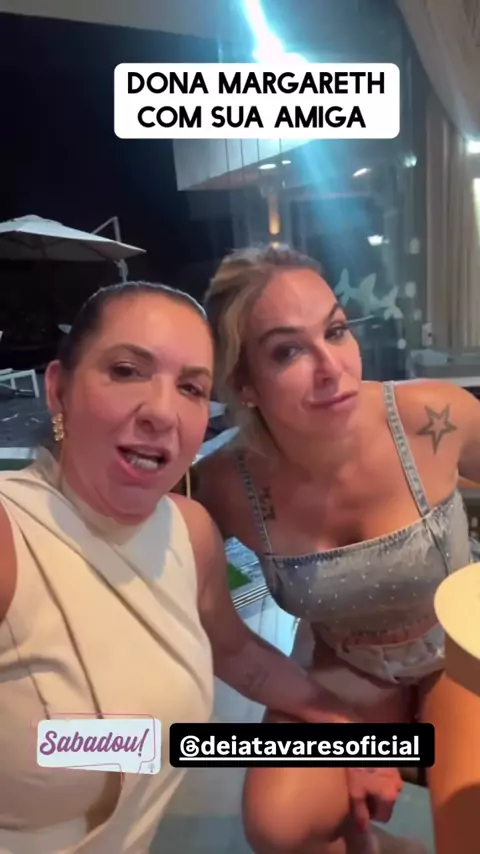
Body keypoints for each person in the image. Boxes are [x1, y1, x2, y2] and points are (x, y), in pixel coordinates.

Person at [0, 281, 362, 854]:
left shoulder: (188, 531)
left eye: (191, 387)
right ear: (58, 389)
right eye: (126, 371)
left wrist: (356, 737)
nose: (162, 412)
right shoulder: (11, 533)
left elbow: (235, 654)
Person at [193, 244, 480, 854]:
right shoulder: (223, 483)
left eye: (336, 331)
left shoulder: (432, 416)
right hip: (346, 664)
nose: (332, 367)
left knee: (470, 827)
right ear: (244, 384)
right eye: (288, 351)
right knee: (279, 825)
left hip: (457, 652)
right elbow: (207, 620)